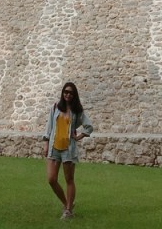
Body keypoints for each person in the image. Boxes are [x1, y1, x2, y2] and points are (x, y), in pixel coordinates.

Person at [42, 82, 94, 220]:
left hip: (68, 150)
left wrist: (79, 137)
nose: (67, 94)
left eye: (71, 92)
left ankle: (68, 210)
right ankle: (67, 204)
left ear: (74, 95)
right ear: (62, 92)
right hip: (54, 148)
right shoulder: (55, 107)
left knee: (69, 179)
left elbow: (89, 127)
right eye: (65, 91)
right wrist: (46, 143)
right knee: (51, 179)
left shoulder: (77, 111)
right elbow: (49, 127)